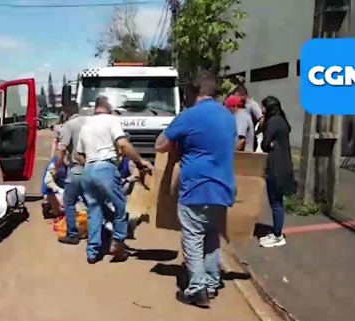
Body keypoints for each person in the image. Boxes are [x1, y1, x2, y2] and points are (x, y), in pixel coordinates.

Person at [155, 71, 237, 308]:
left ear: (193, 91)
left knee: (192, 237)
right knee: (211, 237)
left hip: (196, 187)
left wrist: (177, 142)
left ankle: (197, 288)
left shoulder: (189, 116)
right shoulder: (228, 117)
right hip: (223, 188)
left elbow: (160, 145)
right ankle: (211, 282)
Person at [76, 96, 153, 264]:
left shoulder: (85, 126)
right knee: (120, 208)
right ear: (108, 107)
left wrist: (92, 166)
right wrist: (141, 161)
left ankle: (92, 252)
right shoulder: (112, 120)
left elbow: (79, 155)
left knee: (94, 211)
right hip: (106, 168)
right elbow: (123, 144)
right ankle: (117, 244)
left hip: (88, 170)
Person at [259, 96, 296, 248]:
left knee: (276, 203)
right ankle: (276, 231)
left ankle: (278, 236)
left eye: (263, 107)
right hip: (284, 165)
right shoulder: (282, 120)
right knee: (278, 201)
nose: (262, 110)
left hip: (275, 166)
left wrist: (266, 138)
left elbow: (265, 144)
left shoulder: (272, 122)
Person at [55, 102, 89, 245]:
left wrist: (57, 166)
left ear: (66, 113)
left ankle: (73, 234)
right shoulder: (89, 122)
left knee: (69, 201)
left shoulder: (70, 125)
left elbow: (62, 148)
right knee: (92, 202)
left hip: (77, 170)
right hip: (93, 168)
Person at [232, 85, 264, 152]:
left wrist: (257, 132)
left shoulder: (252, 105)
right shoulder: (240, 108)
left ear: (244, 95)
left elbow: (261, 119)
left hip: (247, 139)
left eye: (237, 96)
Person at [41, 154, 68, 218]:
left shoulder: (71, 164)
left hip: (65, 190)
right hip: (53, 192)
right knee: (66, 210)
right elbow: (48, 182)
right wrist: (59, 190)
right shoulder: (53, 165)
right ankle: (49, 205)